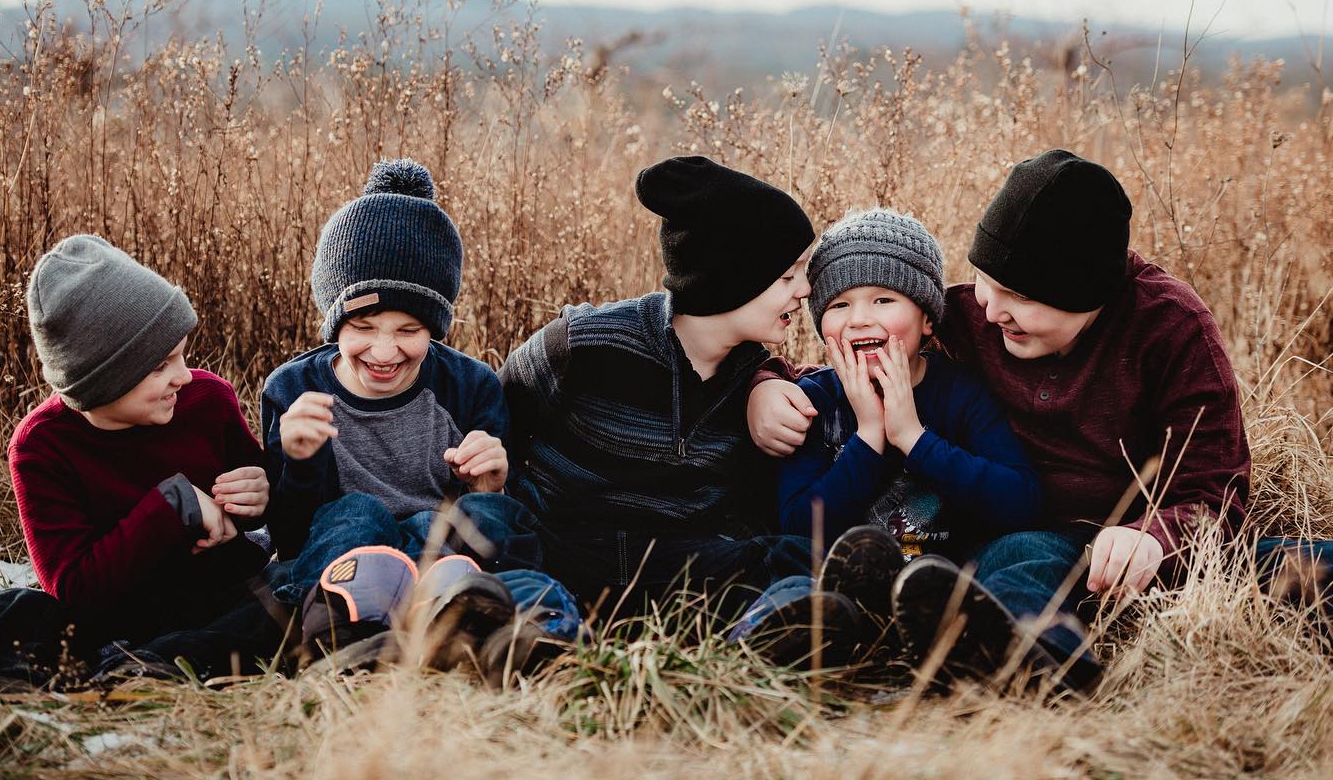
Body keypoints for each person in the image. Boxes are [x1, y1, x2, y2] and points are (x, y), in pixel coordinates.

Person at [748, 150, 1297, 690]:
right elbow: (858, 355)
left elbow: (1211, 486)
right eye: (986, 282)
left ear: (1087, 297)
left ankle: (1024, 659)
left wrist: (1153, 537)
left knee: (1298, 568)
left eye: (1017, 296)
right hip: (1025, 539)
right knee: (1013, 560)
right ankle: (1004, 657)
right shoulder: (968, 316)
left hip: (1126, 547)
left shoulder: (1171, 330)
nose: (989, 311)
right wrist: (765, 383)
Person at [261, 159, 579, 667]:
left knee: (489, 514)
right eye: (363, 326)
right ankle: (345, 630)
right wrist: (300, 462)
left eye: (408, 331)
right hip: (347, 559)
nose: (384, 352)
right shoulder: (292, 390)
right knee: (355, 512)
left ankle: (510, 624)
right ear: (333, 321)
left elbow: (496, 517)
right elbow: (292, 537)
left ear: (435, 327)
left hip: (443, 559)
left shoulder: (469, 385)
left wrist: (492, 483)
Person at [499, 155, 817, 613]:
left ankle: (769, 628)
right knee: (495, 531)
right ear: (730, 281)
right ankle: (543, 624)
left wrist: (770, 381)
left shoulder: (748, 377)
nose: (804, 289)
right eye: (788, 276)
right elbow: (495, 415)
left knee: (799, 556)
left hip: (684, 569)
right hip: (570, 552)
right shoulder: (586, 344)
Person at [728, 209, 1040, 664]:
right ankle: (779, 634)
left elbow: (1022, 501)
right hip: (836, 583)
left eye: (883, 300)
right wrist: (870, 437)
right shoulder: (814, 402)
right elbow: (800, 527)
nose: (858, 319)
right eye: (839, 305)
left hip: (936, 583)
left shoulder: (962, 393)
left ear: (928, 320)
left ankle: (976, 645)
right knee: (788, 559)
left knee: (1015, 554)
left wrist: (914, 439)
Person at [0, 235, 280, 686]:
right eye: (160, 366)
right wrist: (173, 505)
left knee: (289, 589)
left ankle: (145, 666)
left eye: (182, 354)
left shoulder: (208, 400)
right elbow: (75, 588)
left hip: (218, 596)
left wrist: (261, 493)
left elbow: (271, 510)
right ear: (103, 380)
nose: (183, 375)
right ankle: (38, 683)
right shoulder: (40, 445)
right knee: (11, 611)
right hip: (113, 613)